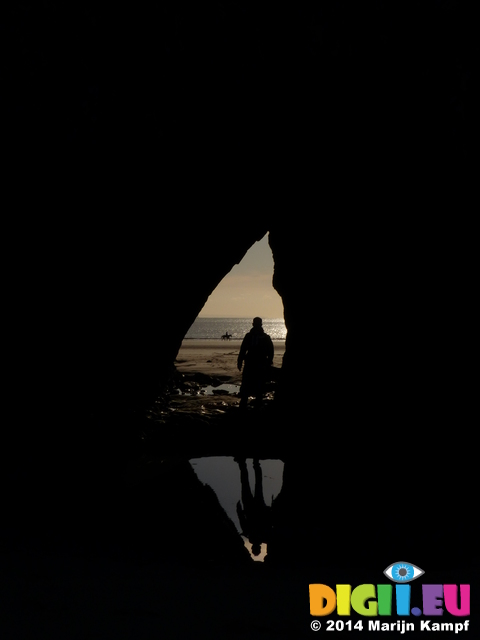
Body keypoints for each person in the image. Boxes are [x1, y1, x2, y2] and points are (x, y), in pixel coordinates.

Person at [237, 317, 274, 409]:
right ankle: (251, 403)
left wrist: (240, 361)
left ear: (253, 324)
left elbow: (243, 350)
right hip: (255, 363)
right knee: (255, 384)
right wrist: (240, 360)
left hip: (255, 363)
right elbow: (271, 351)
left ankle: (247, 404)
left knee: (253, 384)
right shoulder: (256, 337)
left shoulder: (261, 337)